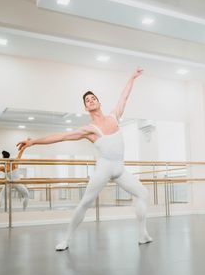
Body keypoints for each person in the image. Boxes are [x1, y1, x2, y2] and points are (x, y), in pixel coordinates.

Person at [17, 68, 152, 251]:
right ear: (85, 107)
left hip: (120, 169)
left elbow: (124, 96)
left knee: (143, 194)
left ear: (98, 102)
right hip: (104, 169)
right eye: (87, 101)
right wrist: (33, 142)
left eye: (92, 98)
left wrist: (132, 78)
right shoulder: (89, 129)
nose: (90, 101)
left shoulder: (114, 117)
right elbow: (61, 137)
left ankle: (142, 234)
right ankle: (66, 239)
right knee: (85, 203)